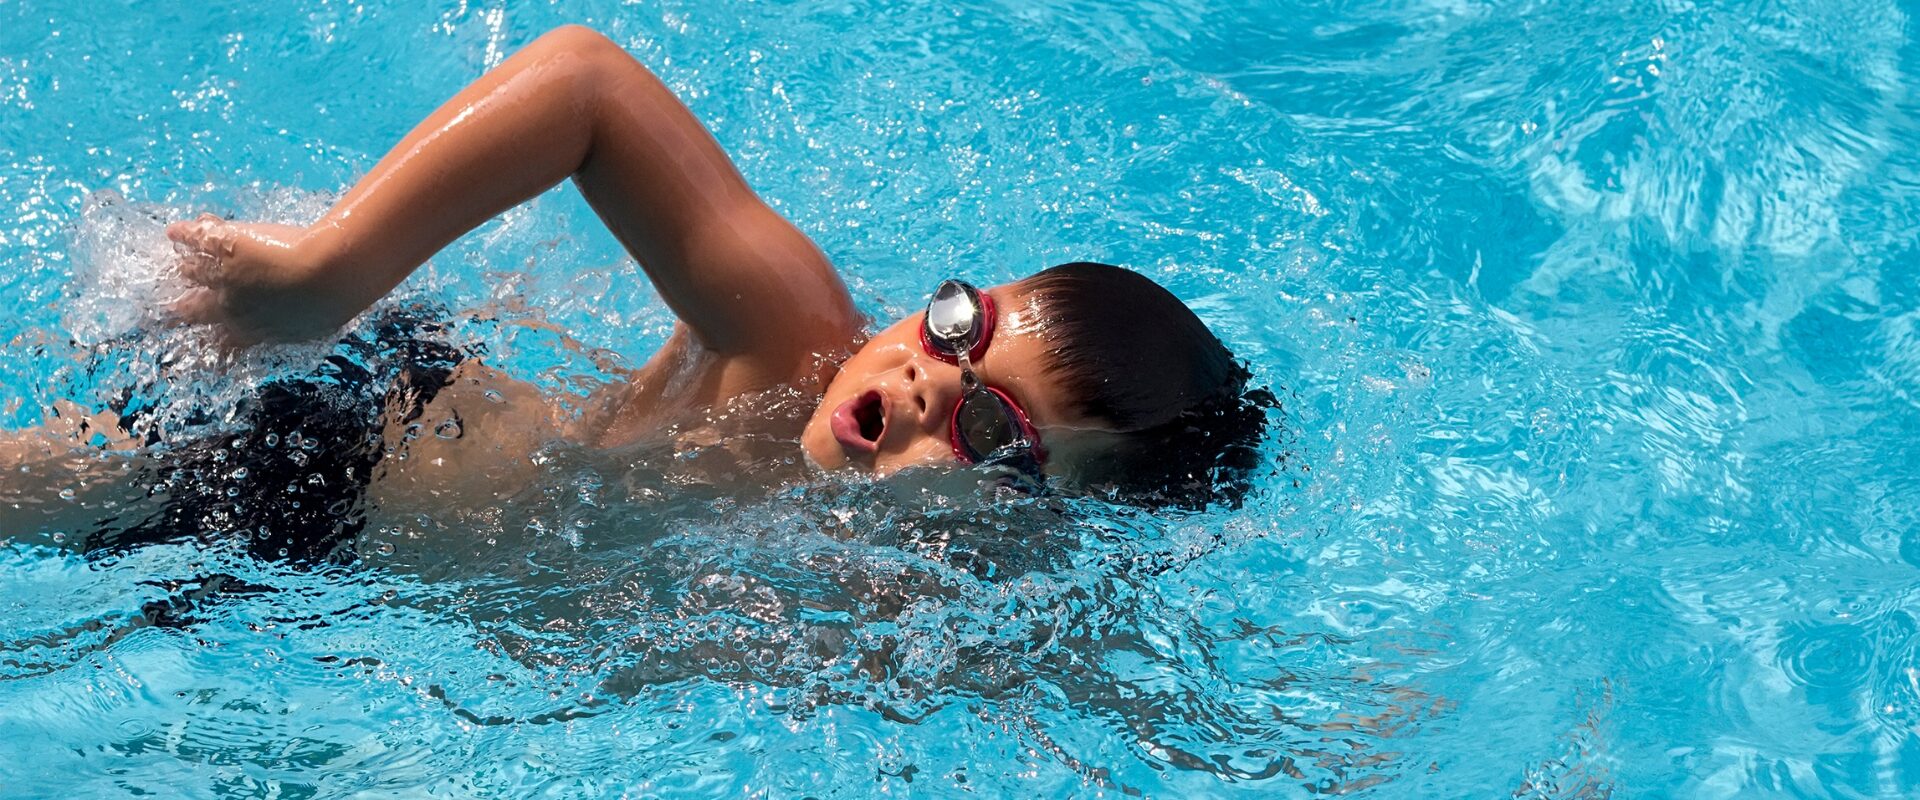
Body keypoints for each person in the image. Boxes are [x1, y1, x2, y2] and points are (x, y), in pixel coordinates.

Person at [6, 25, 1268, 559]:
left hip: (344, 588)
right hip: (336, 445)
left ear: (1044, 525)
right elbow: (585, 87)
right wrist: (319, 278)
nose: (930, 380)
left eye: (991, 428)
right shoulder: (791, 341)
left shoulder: (949, 613)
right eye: (958, 327)